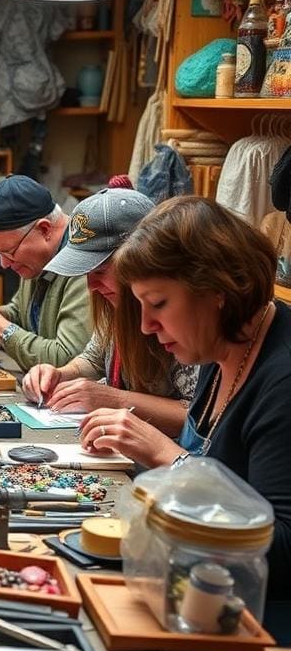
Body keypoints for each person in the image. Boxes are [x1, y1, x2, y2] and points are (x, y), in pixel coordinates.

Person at [77, 197, 291, 616]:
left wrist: (166, 456)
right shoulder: (220, 347)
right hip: (201, 593)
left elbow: (279, 551)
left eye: (158, 304)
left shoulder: (282, 379)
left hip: (262, 628)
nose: (145, 326)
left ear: (217, 291)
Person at [22, 188, 197, 435]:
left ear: (142, 257)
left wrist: (115, 400)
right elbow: (93, 358)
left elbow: (200, 416)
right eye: (86, 273)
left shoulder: (183, 320)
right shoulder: (113, 305)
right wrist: (59, 375)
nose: (91, 286)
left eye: (101, 270)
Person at [0, 176, 91, 371]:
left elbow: (67, 361)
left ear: (44, 229)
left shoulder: (85, 265)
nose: (4, 264)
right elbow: (24, 316)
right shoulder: (38, 258)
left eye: (9, 252)